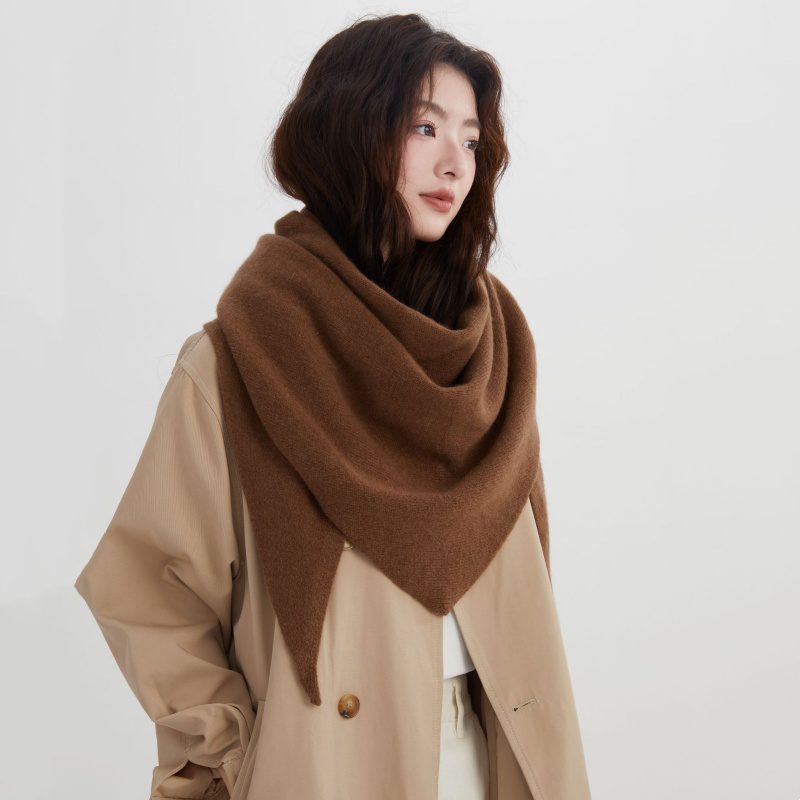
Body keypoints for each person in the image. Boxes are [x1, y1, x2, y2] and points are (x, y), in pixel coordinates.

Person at [74, 12, 592, 800]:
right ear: (350, 131)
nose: (455, 162)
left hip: (500, 751)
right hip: (333, 765)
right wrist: (228, 756)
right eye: (424, 127)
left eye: (472, 139)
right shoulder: (242, 357)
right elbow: (148, 588)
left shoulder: (492, 355)